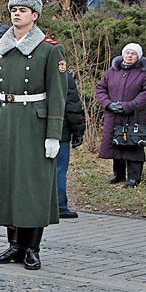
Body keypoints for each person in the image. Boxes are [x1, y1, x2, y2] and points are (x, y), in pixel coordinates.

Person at [0, 0, 67, 271]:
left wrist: (54, 133)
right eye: (14, 9)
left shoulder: (49, 49)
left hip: (35, 120)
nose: (17, 14)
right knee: (9, 182)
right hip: (8, 117)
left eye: (23, 10)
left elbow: (58, 94)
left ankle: (32, 247)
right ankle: (15, 246)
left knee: (33, 185)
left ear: (35, 15)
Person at [95, 43, 146, 189]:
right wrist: (108, 104)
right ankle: (119, 174)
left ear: (138, 56)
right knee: (116, 142)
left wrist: (127, 106)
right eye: (127, 53)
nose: (129, 56)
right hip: (113, 114)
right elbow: (101, 88)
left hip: (133, 114)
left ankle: (134, 178)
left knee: (133, 143)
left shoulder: (145, 72)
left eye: (133, 54)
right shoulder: (112, 70)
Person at [57, 72, 85, 218]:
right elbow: (72, 107)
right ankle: (60, 206)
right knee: (59, 169)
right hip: (61, 130)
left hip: (36, 130)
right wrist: (78, 131)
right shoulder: (63, 77)